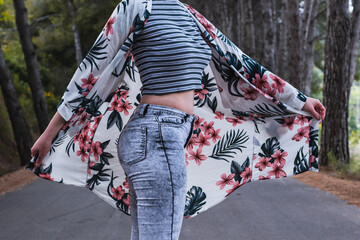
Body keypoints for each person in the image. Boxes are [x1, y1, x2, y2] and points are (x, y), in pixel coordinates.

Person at [28, 0, 326, 240]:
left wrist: (299, 100)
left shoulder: (192, 17)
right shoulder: (134, 7)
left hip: (168, 135)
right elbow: (89, 73)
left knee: (149, 233)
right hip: (154, 134)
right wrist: (48, 135)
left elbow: (244, 67)